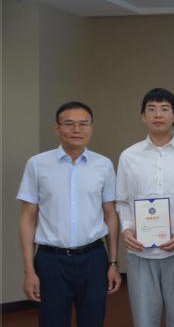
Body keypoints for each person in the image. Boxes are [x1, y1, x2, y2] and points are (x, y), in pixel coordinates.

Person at [17, 101, 122, 327]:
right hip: (51, 261)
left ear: (91, 127)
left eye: (83, 124)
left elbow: (111, 215)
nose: (76, 130)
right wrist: (29, 270)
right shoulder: (37, 164)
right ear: (57, 128)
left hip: (94, 259)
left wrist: (113, 262)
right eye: (69, 124)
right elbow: (27, 218)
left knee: (93, 321)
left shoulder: (103, 165)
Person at [116, 88, 174, 327]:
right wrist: (126, 229)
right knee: (144, 321)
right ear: (143, 116)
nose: (158, 114)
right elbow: (122, 201)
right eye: (152, 109)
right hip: (140, 251)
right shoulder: (129, 156)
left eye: (164, 109)